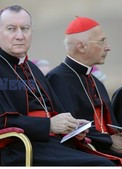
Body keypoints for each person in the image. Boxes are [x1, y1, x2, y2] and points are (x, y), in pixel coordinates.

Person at [0, 5, 114, 166]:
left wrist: (72, 128)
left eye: (25, 29)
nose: (20, 36)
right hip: (18, 149)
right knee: (102, 165)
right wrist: (49, 125)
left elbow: (52, 111)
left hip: (50, 145)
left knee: (111, 162)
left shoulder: (32, 69)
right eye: (11, 29)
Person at [47, 16, 122, 162]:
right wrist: (109, 140)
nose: (108, 47)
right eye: (102, 41)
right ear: (81, 47)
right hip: (86, 151)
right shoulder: (57, 78)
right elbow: (70, 128)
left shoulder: (96, 82)